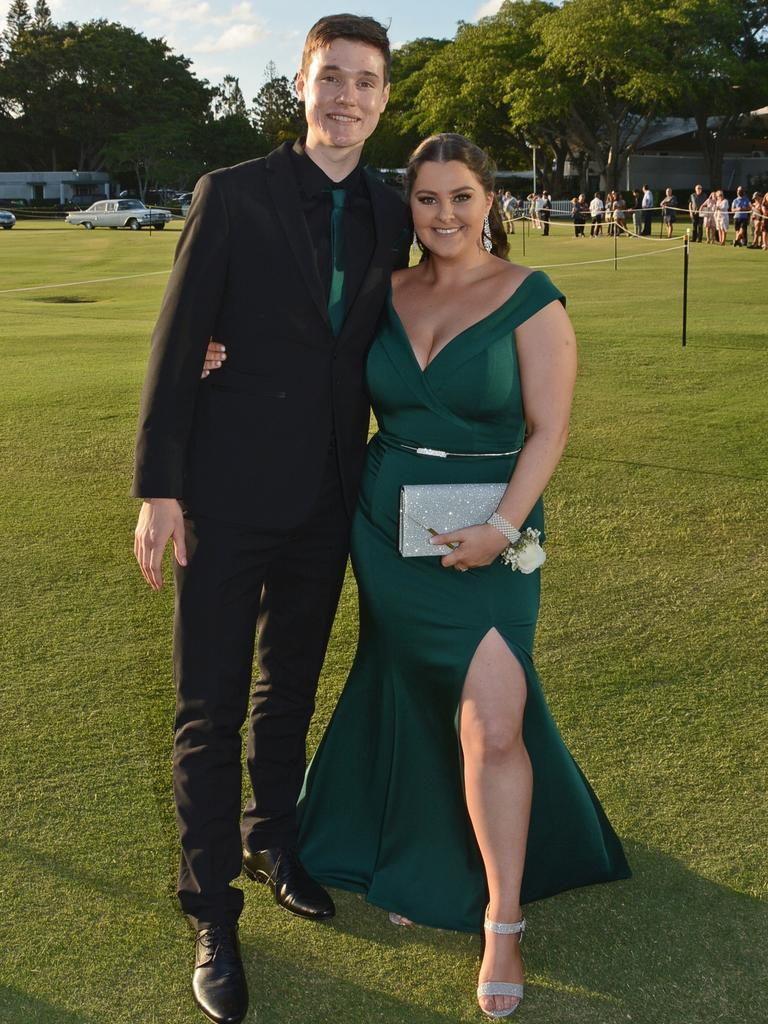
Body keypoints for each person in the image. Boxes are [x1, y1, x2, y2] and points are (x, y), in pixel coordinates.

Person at [221, 133, 629, 1019]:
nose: (445, 214)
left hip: (494, 530)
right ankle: (420, 854)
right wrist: (217, 354)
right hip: (386, 521)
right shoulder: (385, 292)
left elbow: (548, 430)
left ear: (491, 202)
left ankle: (504, 918)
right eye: (428, 199)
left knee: (492, 717)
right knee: (409, 692)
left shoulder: (531, 299)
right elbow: (308, 358)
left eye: (462, 196)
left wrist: (501, 527)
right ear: (408, 208)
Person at [131, 15, 412, 1024]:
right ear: (300, 86)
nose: (346, 96)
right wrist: (158, 487)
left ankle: (273, 836)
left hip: (331, 496)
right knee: (208, 707)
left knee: (288, 684)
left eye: (365, 82)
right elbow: (175, 344)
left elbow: (405, 337)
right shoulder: (232, 194)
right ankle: (214, 911)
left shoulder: (392, 208)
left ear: (385, 97)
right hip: (221, 492)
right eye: (329, 77)